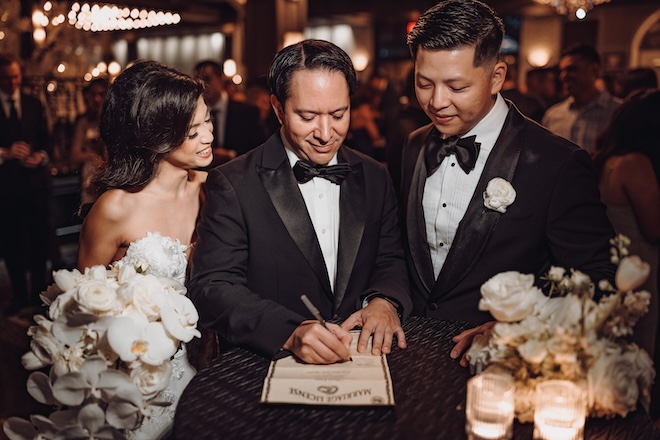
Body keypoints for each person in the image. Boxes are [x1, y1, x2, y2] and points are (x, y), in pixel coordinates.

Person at [401, 0, 616, 365]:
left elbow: (599, 279)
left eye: (456, 86)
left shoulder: (557, 162)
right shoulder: (413, 144)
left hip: (502, 363)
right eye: (424, 84)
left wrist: (518, 326)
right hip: (411, 351)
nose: (437, 102)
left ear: (497, 76)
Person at [188, 39, 412, 365]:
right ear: (278, 109)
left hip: (365, 358)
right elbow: (212, 286)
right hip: (266, 364)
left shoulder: (375, 175)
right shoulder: (234, 182)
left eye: (338, 114)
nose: (325, 133)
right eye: (307, 116)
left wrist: (385, 301)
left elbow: (390, 258)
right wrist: (288, 331)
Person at [77, 60, 212, 439]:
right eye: (192, 131)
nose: (208, 137)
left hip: (206, 371)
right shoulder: (115, 209)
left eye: (208, 122)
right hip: (135, 384)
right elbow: (83, 312)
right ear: (156, 133)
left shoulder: (212, 189)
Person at [592, 89, 660, 358]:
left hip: (619, 264)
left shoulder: (608, 158)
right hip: (637, 269)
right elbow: (654, 228)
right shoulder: (635, 163)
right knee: (636, 351)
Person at [0, 53, 52, 314]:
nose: (13, 82)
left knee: (39, 241)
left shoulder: (33, 103)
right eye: (8, 78)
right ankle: (18, 295)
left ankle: (37, 294)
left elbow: (47, 139)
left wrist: (40, 156)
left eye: (16, 77)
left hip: (35, 186)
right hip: (5, 188)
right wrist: (5, 153)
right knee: (11, 243)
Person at [541, 43, 621, 154]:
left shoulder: (618, 113)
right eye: (562, 71)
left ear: (594, 70)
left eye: (571, 69)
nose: (563, 76)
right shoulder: (553, 115)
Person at [193, 60, 268, 168]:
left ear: (220, 79)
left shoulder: (247, 112)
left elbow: (261, 147)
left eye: (207, 79)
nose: (202, 85)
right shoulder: (194, 114)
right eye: (197, 81)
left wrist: (231, 154)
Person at [69, 77, 109, 206]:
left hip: (110, 174)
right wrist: (92, 156)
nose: (97, 99)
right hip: (90, 176)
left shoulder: (113, 122)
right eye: (93, 95)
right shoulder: (83, 121)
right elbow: (74, 155)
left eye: (101, 94)